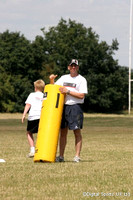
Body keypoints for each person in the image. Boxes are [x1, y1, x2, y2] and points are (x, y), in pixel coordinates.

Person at [49, 59, 88, 162]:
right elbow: (54, 89)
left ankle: (77, 156)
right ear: (68, 67)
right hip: (63, 107)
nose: (73, 67)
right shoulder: (63, 78)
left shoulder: (82, 79)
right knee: (63, 132)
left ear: (78, 67)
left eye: (75, 66)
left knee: (76, 131)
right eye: (72, 66)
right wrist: (52, 80)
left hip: (75, 107)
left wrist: (68, 91)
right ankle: (61, 156)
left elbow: (81, 95)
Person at [22, 79, 45, 157]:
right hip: (42, 117)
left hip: (32, 116)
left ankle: (32, 150)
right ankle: (42, 149)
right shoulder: (45, 95)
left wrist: (24, 114)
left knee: (29, 132)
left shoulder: (32, 94)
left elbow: (28, 105)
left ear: (35, 87)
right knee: (41, 133)